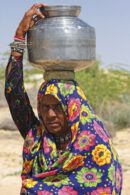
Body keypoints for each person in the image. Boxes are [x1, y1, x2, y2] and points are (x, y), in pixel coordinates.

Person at [5, 3, 123, 195]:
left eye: (58, 107)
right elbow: (14, 95)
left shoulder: (95, 144)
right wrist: (19, 37)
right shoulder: (38, 138)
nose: (50, 114)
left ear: (74, 108)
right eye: (44, 107)